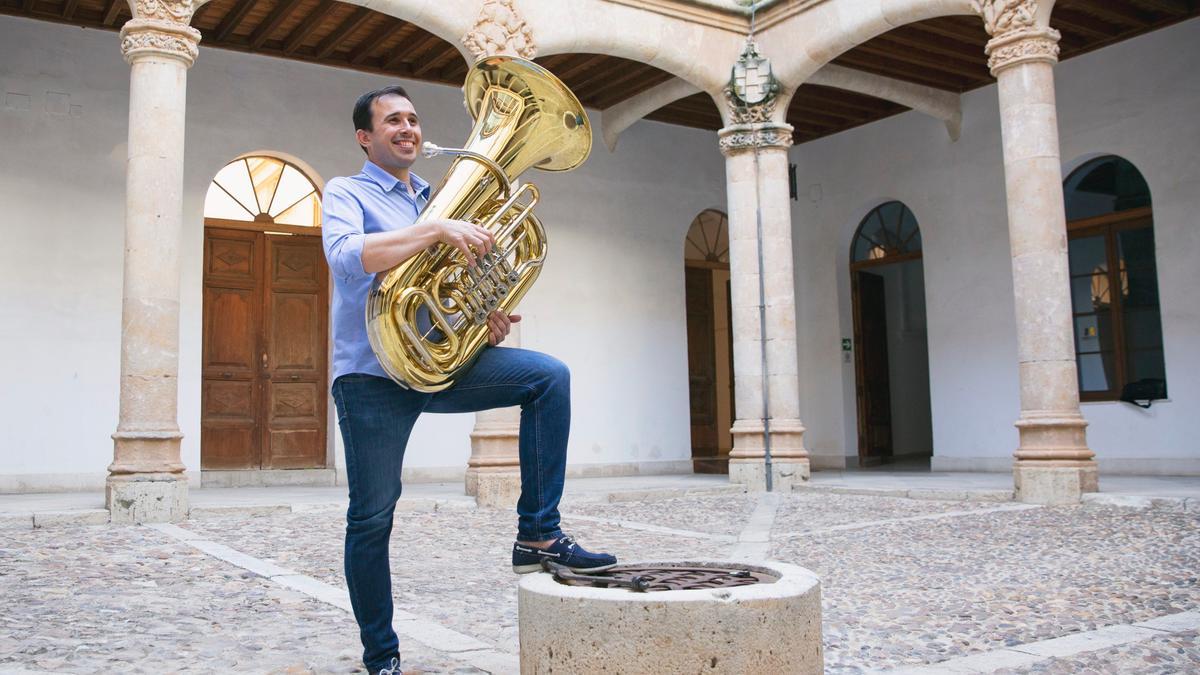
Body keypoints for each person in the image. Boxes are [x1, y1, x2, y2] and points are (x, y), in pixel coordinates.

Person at [321, 85, 617, 675]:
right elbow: (346, 255)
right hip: (372, 376)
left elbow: (449, 285)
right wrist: (435, 230)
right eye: (392, 121)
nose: (406, 128)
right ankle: (382, 655)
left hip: (440, 360)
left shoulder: (443, 196)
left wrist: (486, 315)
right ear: (365, 137)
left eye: (411, 118)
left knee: (547, 378)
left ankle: (537, 534)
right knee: (373, 517)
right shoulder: (346, 191)